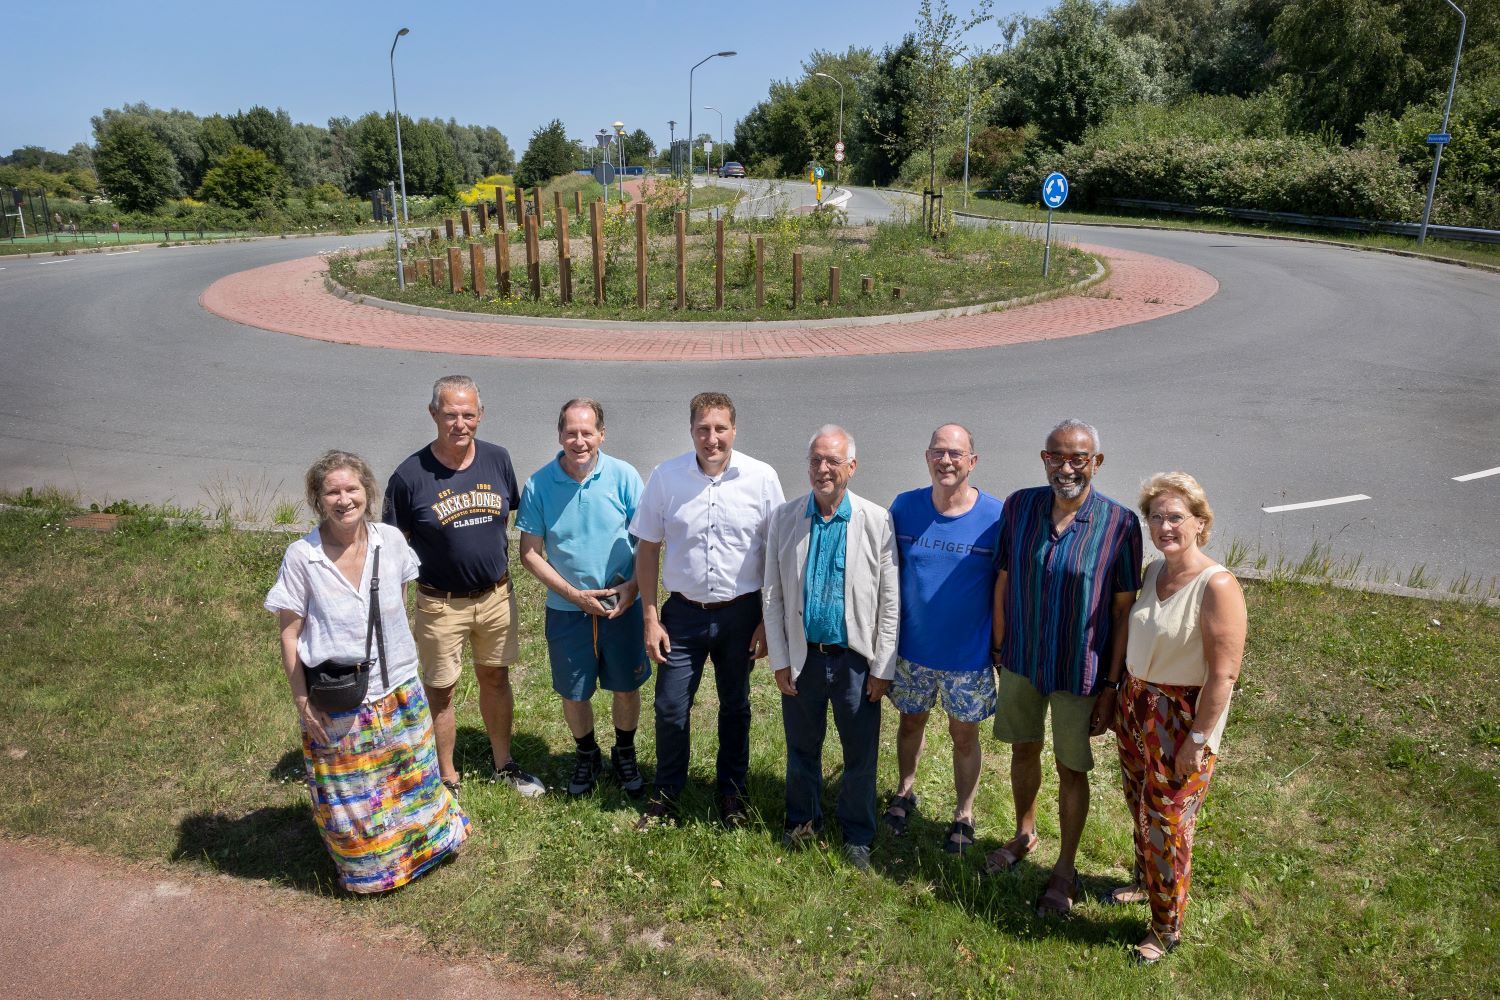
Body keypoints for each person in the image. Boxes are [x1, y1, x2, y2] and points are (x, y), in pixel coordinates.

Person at [265, 450, 468, 893]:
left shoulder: (390, 541)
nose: (343, 499)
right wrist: (302, 700)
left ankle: (426, 851)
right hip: (340, 695)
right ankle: (372, 873)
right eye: (332, 491)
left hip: (398, 686)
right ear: (318, 499)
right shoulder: (302, 556)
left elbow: (393, 602)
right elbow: (289, 633)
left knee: (412, 779)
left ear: (367, 492)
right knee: (354, 795)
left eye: (351, 489)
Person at [988, 419, 1142, 917]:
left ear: (1096, 462)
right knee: (1023, 750)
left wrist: (1112, 686)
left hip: (1081, 670)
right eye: (1057, 457)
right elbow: (1004, 579)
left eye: (1078, 458)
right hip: (1022, 661)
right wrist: (998, 645)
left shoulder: (1119, 524)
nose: (1066, 467)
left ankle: (1066, 867)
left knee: (1071, 768)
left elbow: (1122, 611)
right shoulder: (1020, 507)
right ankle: (1024, 833)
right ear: (1043, 459)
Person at [383, 375, 544, 798]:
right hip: (440, 603)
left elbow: (519, 512)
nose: (460, 423)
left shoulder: (497, 459)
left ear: (481, 415)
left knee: (495, 678)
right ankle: (447, 776)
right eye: (451, 414)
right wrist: (393, 613)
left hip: (495, 597)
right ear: (433, 414)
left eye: (468, 414)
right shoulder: (409, 476)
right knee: (441, 691)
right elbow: (394, 550)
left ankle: (504, 764)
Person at [1108, 472, 1246, 963]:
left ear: (1200, 523)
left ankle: (1165, 929)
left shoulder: (1218, 584)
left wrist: (1198, 738)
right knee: (1139, 804)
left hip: (1181, 717)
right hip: (1136, 704)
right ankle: (1147, 884)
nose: (1164, 526)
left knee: (1168, 821)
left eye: (1175, 517)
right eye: (1156, 517)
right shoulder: (1152, 573)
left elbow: (1223, 676)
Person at [631, 392, 785, 827]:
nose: (711, 438)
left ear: (734, 430)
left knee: (735, 705)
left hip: (742, 613)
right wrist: (649, 615)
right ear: (691, 430)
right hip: (682, 614)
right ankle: (667, 793)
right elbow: (648, 547)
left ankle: (732, 794)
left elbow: (777, 553)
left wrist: (767, 621)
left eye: (720, 428)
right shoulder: (666, 477)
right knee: (670, 707)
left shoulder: (761, 478)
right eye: (703, 428)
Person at [763, 426, 900, 871]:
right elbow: (772, 593)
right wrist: (781, 658)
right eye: (815, 460)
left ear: (851, 468)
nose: (823, 469)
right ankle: (802, 820)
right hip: (804, 658)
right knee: (802, 748)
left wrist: (883, 665)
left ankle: (857, 834)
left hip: (855, 662)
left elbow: (889, 599)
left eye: (833, 461)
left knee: (860, 754)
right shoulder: (785, 518)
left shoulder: (875, 519)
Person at [517, 398, 650, 797]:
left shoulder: (625, 477)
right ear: (560, 435)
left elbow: (647, 540)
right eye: (571, 433)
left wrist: (634, 587)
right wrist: (574, 595)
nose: (579, 441)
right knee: (573, 691)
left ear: (601, 435)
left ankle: (624, 752)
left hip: (620, 604)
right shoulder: (539, 485)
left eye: (587, 432)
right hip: (567, 609)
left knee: (626, 686)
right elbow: (528, 553)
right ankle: (586, 753)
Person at [884, 424, 1004, 853]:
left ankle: (964, 814)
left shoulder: (995, 517)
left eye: (956, 453)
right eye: (938, 452)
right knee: (910, 722)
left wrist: (1000, 644)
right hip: (912, 650)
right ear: (927, 457)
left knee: (963, 736)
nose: (946, 461)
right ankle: (904, 790)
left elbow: (1005, 586)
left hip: (967, 657)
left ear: (972, 462)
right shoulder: (904, 507)